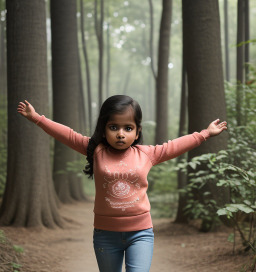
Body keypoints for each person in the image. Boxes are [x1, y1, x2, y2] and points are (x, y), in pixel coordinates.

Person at [17, 95, 227, 272]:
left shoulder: (147, 154)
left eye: (128, 128)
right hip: (105, 235)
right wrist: (36, 118)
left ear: (137, 132)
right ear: (104, 129)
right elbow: (68, 135)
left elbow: (175, 146)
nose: (120, 133)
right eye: (114, 127)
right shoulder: (95, 150)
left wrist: (205, 134)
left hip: (141, 233)